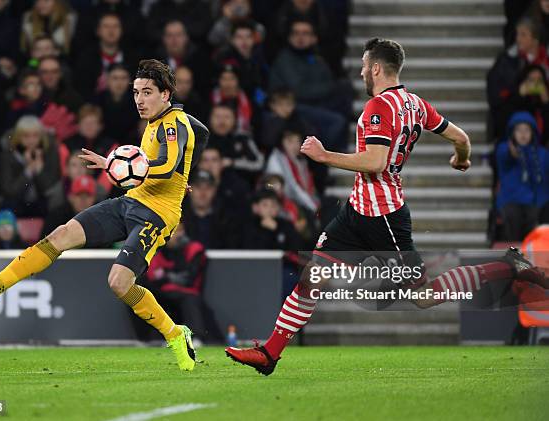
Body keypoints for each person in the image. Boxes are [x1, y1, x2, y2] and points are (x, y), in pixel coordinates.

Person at [226, 38, 549, 375]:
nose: (363, 73)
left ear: (376, 68)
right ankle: (270, 354)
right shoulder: (416, 105)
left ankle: (509, 266)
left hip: (384, 217)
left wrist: (324, 156)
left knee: (422, 295)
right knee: (312, 276)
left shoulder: (378, 108)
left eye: (365, 67)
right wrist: (461, 159)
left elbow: (377, 161)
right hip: (356, 212)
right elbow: (461, 139)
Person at [0, 59, 209, 372]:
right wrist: (181, 174)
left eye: (147, 92)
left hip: (157, 215)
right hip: (132, 201)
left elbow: (169, 165)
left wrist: (123, 167)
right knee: (60, 235)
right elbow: (202, 132)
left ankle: (175, 335)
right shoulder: (163, 122)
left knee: (119, 283)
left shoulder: (173, 123)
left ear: (165, 94)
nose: (139, 100)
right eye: (135, 93)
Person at [145, 223, 212, 343]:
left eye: (179, 230)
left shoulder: (194, 249)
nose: (176, 235)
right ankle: (149, 339)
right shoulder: (157, 250)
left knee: (189, 300)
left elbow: (188, 278)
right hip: (163, 292)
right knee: (140, 295)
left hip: (187, 292)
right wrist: (167, 277)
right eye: (172, 231)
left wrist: (166, 275)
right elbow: (153, 278)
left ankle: (196, 337)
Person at [495, 111, 549, 241]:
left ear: (533, 132)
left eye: (527, 130)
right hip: (511, 200)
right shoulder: (504, 149)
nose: (523, 134)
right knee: (512, 215)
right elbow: (505, 156)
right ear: (512, 133)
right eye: (518, 130)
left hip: (537, 201)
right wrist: (513, 153)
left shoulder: (542, 153)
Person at [0, 115, 63, 217]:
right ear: (18, 137)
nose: (31, 140)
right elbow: (9, 191)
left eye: (35, 135)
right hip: (16, 204)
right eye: (26, 136)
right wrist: (28, 171)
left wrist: (39, 170)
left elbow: (50, 190)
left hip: (42, 204)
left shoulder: (49, 151)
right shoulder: (8, 155)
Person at [265, 128, 319, 214]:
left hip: (301, 200)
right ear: (282, 142)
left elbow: (307, 188)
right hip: (280, 201)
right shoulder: (276, 159)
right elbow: (270, 185)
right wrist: (313, 207)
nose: (295, 145)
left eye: (298, 141)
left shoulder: (301, 161)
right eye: (290, 141)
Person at [207, 104, 264, 185]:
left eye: (227, 117)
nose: (222, 121)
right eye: (217, 117)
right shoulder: (200, 140)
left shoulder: (243, 139)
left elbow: (259, 164)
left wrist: (233, 163)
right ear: (210, 119)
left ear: (235, 120)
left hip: (240, 190)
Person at [92, 63, 138, 144]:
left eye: (123, 78)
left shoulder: (138, 100)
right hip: (102, 145)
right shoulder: (97, 100)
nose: (119, 83)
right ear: (107, 80)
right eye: (115, 78)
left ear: (130, 81)